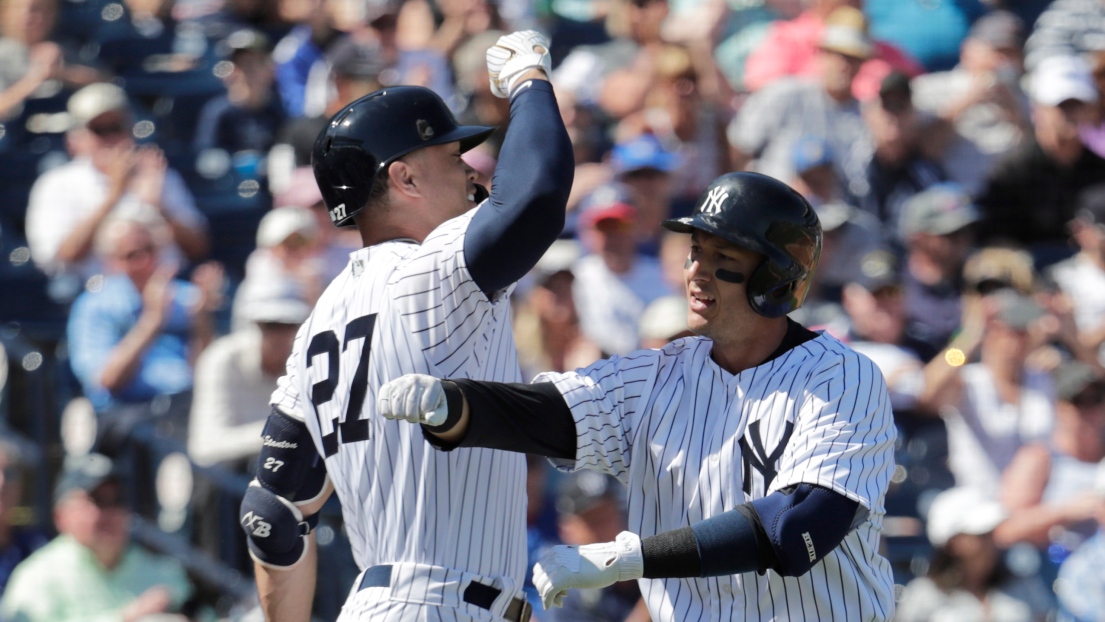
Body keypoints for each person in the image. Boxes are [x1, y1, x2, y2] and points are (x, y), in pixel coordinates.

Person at [378, 172, 898, 619]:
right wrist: (456, 403)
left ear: (776, 275)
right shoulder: (657, 375)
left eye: (722, 257)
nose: (696, 272)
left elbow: (799, 527)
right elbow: (550, 416)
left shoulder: (842, 377)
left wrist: (633, 558)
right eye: (695, 252)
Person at [238, 30, 573, 622]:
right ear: (405, 179)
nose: (472, 175)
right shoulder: (432, 269)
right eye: (453, 157)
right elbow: (535, 195)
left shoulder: (317, 325)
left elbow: (272, 510)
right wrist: (528, 82)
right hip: (446, 605)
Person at [24, 82, 209, 293]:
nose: (111, 138)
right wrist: (113, 195)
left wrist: (161, 207)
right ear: (75, 139)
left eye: (116, 127)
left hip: (166, 290)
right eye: (99, 130)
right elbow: (63, 256)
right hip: (94, 295)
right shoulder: (57, 184)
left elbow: (198, 248)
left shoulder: (159, 175)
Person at [66, 216, 224, 451]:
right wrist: (152, 321)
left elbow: (204, 375)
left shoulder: (185, 297)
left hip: (186, 405)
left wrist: (202, 321)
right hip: (126, 416)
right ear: (111, 263)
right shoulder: (94, 306)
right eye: (132, 256)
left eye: (150, 250)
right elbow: (108, 381)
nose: (145, 261)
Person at [0, 453, 193, 622]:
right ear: (61, 515)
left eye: (118, 500)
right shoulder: (38, 576)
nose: (110, 512)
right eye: (97, 500)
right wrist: (125, 619)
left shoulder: (163, 571)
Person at [895, 486, 1053, 622]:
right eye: (981, 535)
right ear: (952, 544)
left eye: (992, 533)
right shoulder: (922, 595)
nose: (991, 543)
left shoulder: (1025, 586)